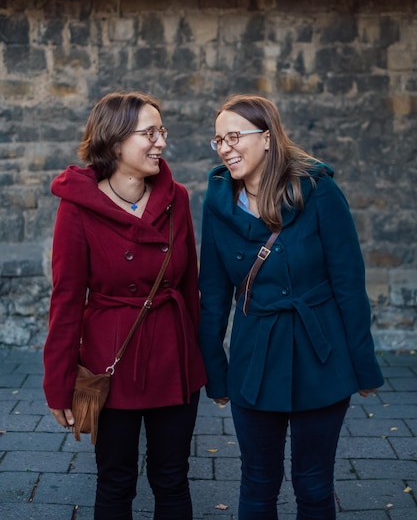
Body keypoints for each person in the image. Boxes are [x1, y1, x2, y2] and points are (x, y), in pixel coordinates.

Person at [198, 94, 384, 520]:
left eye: (234, 136)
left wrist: (363, 365)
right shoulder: (217, 203)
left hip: (321, 356)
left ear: (266, 138)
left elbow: (349, 285)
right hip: (254, 359)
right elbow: (212, 295)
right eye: (218, 140)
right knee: (258, 484)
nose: (225, 147)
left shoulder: (319, 192)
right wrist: (216, 373)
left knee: (315, 484)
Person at [43, 91, 207, 520]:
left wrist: (203, 361)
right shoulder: (77, 208)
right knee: (115, 479)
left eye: (162, 131)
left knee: (172, 477)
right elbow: (65, 299)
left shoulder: (178, 199)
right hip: (109, 359)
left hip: (174, 359)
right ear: (115, 142)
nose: (161, 142)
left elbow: (190, 288)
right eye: (149, 133)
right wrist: (58, 382)